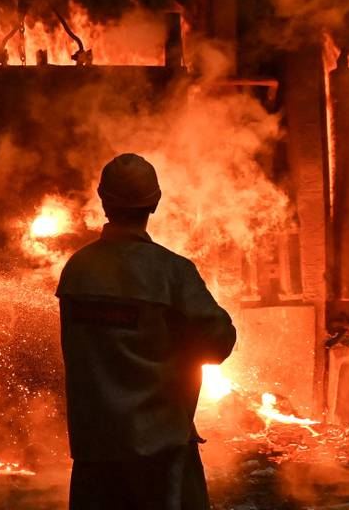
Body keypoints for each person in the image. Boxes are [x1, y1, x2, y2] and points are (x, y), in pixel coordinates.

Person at [56, 153, 237, 510]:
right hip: (160, 450)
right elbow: (218, 343)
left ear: (103, 200)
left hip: (96, 448)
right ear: (154, 202)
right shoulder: (172, 272)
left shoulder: (78, 270)